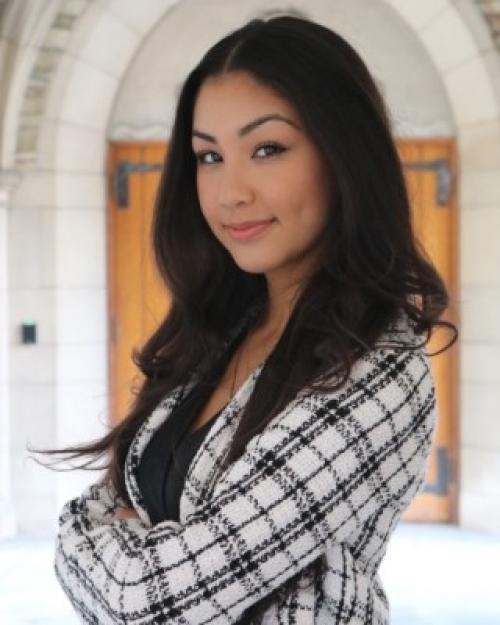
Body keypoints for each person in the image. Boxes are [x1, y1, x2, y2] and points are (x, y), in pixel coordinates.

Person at [34, 13, 457, 625]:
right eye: (209, 156)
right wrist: (131, 556)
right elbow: (90, 519)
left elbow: (146, 605)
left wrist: (124, 554)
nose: (230, 192)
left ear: (344, 156)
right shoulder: (218, 334)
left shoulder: (378, 369)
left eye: (267, 149)